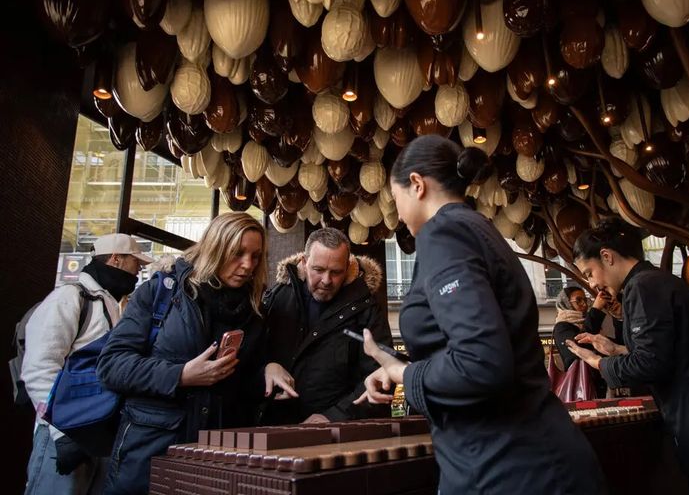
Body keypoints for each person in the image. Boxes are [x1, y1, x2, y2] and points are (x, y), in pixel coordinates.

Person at [353, 135, 606, 494]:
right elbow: (476, 345)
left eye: (396, 200)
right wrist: (398, 369)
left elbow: (482, 362)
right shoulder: (478, 229)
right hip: (530, 457)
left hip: (509, 466)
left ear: (416, 185)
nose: (398, 214)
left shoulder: (443, 233)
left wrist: (405, 373)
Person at [96, 213, 296, 495]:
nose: (247, 265)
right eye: (237, 253)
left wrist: (268, 371)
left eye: (255, 256)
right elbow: (111, 366)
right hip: (151, 451)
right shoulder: (160, 293)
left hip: (216, 456)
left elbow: (240, 382)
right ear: (215, 248)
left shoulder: (255, 310)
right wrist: (180, 375)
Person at [565, 218, 689, 494]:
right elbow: (671, 351)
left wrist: (598, 362)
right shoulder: (654, 281)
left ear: (606, 256)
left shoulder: (643, 287)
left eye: (589, 273)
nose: (593, 285)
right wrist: (617, 350)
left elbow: (650, 364)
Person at [22, 233, 154, 495]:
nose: (138, 272)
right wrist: (62, 432)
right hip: (64, 437)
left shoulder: (111, 304)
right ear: (116, 259)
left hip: (97, 435)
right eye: (135, 263)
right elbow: (38, 368)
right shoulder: (69, 298)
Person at [263, 227, 392, 424]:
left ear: (348, 269)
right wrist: (267, 366)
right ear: (304, 263)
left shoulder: (367, 309)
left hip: (341, 434)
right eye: (318, 269)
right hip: (276, 428)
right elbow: (251, 357)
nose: (326, 280)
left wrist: (333, 417)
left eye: (336, 272)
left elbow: (382, 373)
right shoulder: (277, 298)